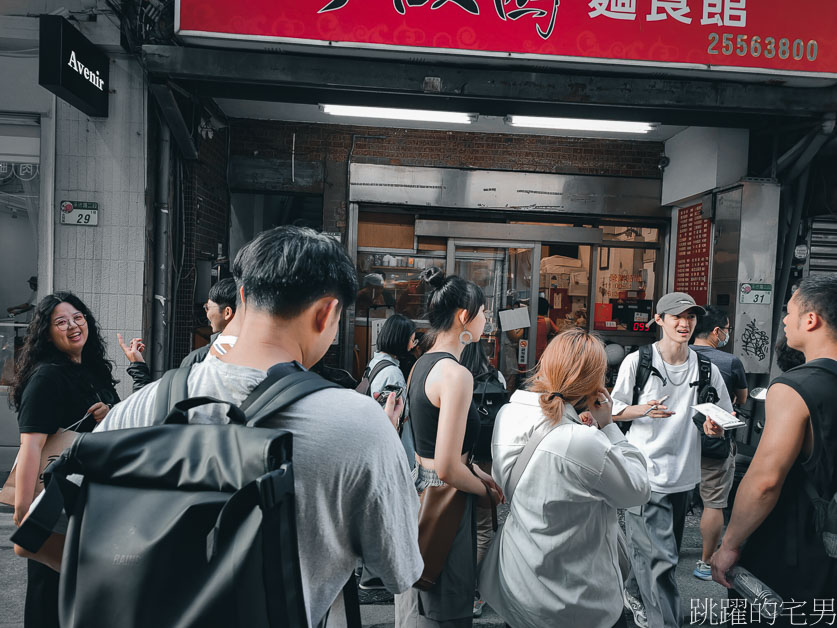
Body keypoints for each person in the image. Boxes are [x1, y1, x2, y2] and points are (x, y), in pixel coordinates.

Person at [93, 226, 423, 626]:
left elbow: (50, 534)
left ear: (243, 296)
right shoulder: (361, 425)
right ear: (327, 313)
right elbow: (400, 570)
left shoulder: (146, 403)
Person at [479, 329, 649, 628]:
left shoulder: (508, 414)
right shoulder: (581, 441)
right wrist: (609, 427)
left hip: (518, 584)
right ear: (593, 382)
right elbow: (637, 490)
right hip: (577, 600)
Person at [711, 276, 837, 623]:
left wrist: (730, 544)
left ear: (811, 320)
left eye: (789, 311)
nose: (784, 320)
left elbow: (765, 481)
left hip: (797, 549)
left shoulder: (796, 387)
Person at [610, 292, 732, 628]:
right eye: (676, 317)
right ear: (659, 320)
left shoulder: (705, 367)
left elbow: (722, 415)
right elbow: (612, 409)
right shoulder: (638, 362)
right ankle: (663, 621)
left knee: (658, 554)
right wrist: (644, 409)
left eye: (690, 317)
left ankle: (630, 600)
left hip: (684, 476)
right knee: (662, 559)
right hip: (645, 475)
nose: (685, 323)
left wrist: (714, 428)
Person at [395, 267, 504, 628]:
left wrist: (474, 474)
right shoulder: (456, 375)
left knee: (419, 603)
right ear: (464, 317)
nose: (487, 319)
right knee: (446, 610)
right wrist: (486, 490)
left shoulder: (421, 365)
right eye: (484, 312)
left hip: (420, 493)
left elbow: (430, 449)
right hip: (447, 499)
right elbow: (447, 466)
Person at [9, 292, 119, 628]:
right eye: (61, 322)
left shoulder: (92, 370)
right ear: (47, 333)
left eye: (78, 317)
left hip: (91, 502)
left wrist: (110, 412)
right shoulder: (46, 377)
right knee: (50, 594)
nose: (73, 326)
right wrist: (23, 508)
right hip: (57, 501)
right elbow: (31, 446)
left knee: (80, 593)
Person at [690, 305, 748, 580]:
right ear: (717, 331)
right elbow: (743, 398)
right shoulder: (729, 362)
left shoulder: (676, 356)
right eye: (727, 329)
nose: (727, 334)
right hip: (713, 442)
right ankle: (704, 562)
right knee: (713, 503)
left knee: (671, 499)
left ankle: (665, 553)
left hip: (677, 441)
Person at [459, 339, 507, 618]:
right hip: (487, 458)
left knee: (461, 524)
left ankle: (464, 588)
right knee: (485, 526)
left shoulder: (454, 375)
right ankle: (477, 591)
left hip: (460, 456)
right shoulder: (496, 377)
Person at [535, 296, 559, 362]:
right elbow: (557, 332)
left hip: (529, 351)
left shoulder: (529, 320)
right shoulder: (547, 321)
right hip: (542, 353)